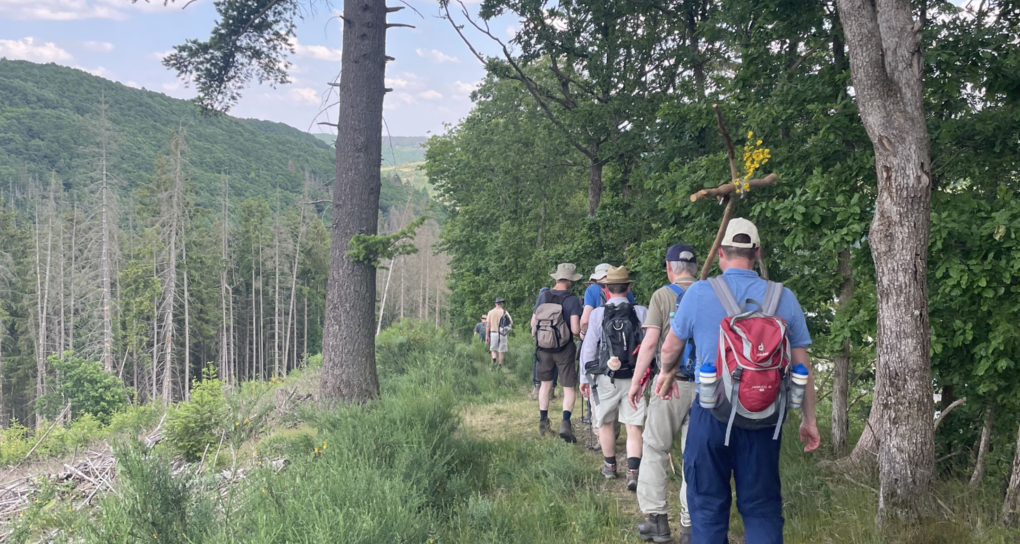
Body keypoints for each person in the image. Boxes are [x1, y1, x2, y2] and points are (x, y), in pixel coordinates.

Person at [657, 218, 821, 544]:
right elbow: (804, 365)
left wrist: (665, 372)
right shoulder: (783, 297)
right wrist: (809, 419)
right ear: (757, 253)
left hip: (711, 410)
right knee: (761, 507)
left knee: (706, 505)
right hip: (765, 417)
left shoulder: (700, 292)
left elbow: (669, 349)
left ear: (720, 254)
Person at [626, 244, 700, 543]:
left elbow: (650, 343)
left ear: (669, 267)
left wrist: (636, 383)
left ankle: (657, 523)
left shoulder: (662, 295)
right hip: (708, 387)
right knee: (695, 457)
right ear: (694, 268)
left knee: (655, 449)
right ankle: (690, 526)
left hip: (669, 385)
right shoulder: (713, 293)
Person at [580, 266, 647, 489]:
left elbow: (588, 349)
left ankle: (609, 467)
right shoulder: (641, 312)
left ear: (606, 290)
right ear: (628, 288)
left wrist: (584, 376)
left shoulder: (598, 314)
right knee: (633, 426)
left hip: (605, 378)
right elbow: (649, 347)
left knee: (606, 422)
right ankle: (633, 472)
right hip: (635, 377)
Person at [531, 263, 583, 442]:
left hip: (543, 348)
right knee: (568, 388)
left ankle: (543, 422)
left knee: (545, 386)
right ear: (569, 280)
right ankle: (565, 423)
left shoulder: (543, 296)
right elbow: (575, 329)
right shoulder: (572, 300)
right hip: (564, 349)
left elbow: (533, 323)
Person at [580, 263, 635, 339]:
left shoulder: (591, 290)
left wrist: (582, 333)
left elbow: (585, 320)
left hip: (602, 340)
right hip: (627, 338)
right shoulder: (626, 290)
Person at [486, 297, 512, 369]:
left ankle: (494, 362)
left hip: (493, 333)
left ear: (495, 304)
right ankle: (500, 366)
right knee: (501, 351)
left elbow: (488, 325)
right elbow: (511, 322)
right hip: (502, 334)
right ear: (502, 304)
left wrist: (487, 336)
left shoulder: (490, 312)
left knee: (493, 350)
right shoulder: (504, 312)